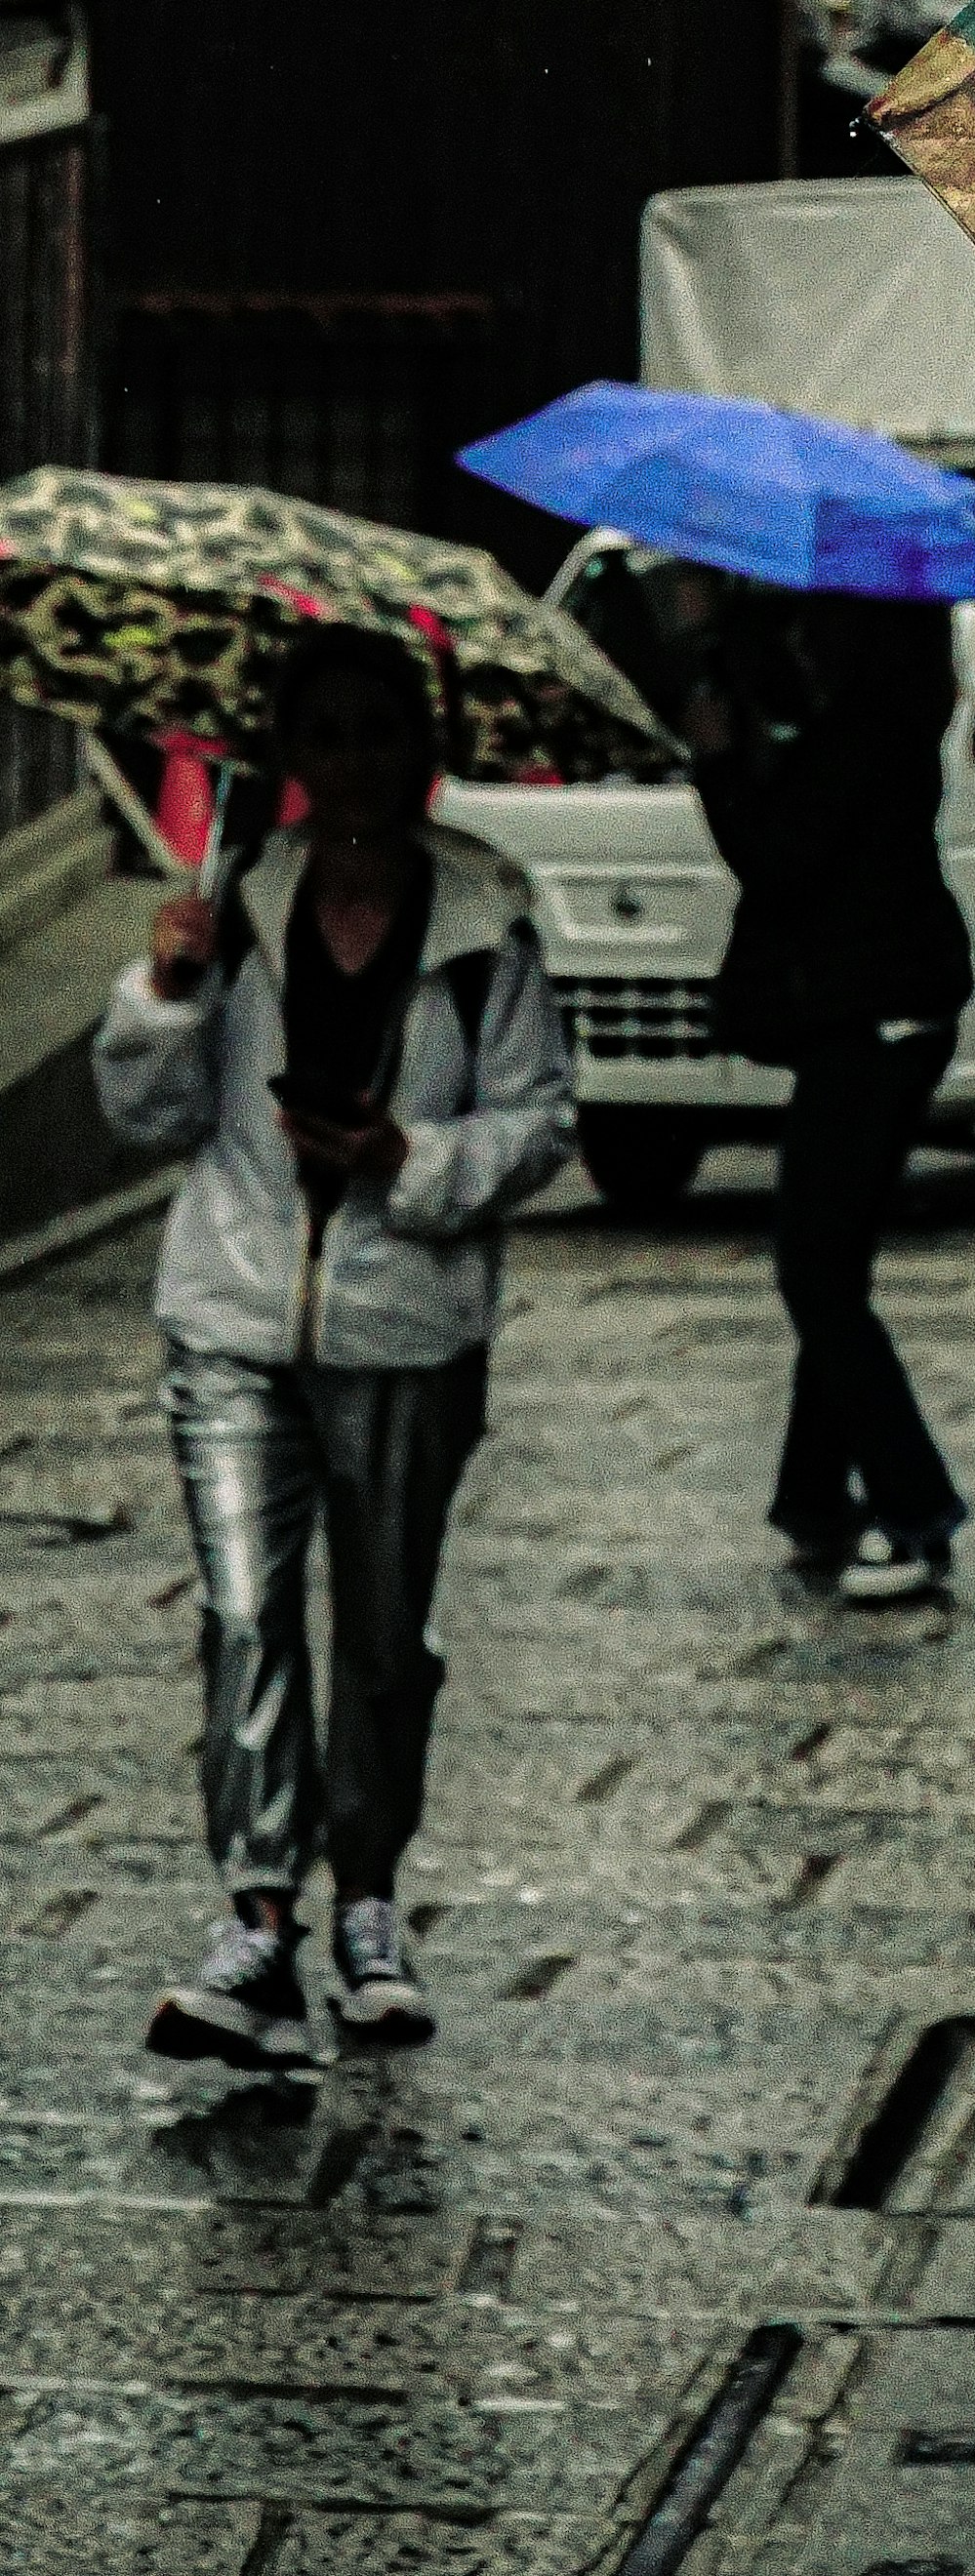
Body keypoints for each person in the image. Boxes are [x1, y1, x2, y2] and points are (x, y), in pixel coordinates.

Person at [93, 620, 574, 2076]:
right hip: (232, 1315)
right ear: (289, 760)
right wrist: (167, 994)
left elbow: (539, 1120)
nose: (354, 763)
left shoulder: (488, 918)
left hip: (405, 1333)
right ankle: (255, 1919)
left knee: (379, 1632)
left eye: (381, 734)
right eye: (327, 737)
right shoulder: (236, 897)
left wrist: (400, 1158)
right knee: (245, 1617)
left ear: (423, 754)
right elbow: (152, 1121)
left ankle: (365, 1903)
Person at [666, 572, 973, 1607]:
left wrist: (714, 764)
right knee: (830, 1261)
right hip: (892, 1011)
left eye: (820, 615)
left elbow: (776, 855)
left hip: (872, 1020)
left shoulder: (867, 732)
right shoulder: (884, 713)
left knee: (817, 1273)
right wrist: (720, 653)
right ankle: (812, 1497)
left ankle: (914, 1511)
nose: (804, 631)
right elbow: (782, 723)